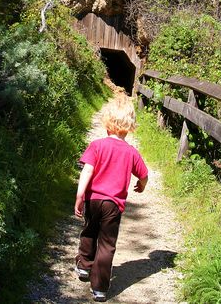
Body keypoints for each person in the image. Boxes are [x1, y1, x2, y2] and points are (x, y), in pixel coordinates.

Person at [74, 94, 148, 302]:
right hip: (113, 205)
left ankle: (84, 266)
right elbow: (144, 175)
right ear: (130, 126)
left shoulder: (97, 146)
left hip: (93, 200)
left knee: (89, 231)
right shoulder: (131, 153)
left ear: (107, 123)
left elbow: (87, 172)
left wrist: (80, 196)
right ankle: (99, 287)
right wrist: (141, 186)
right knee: (107, 244)